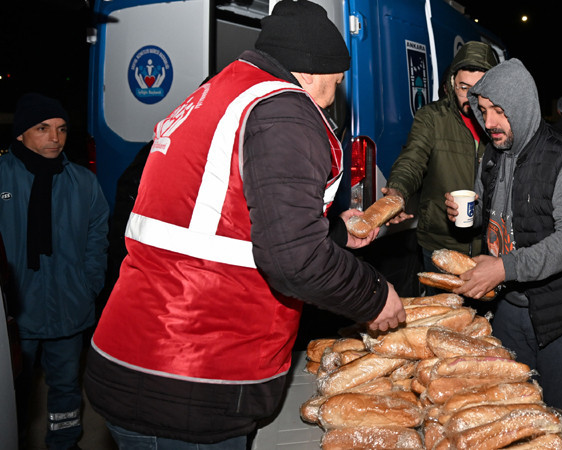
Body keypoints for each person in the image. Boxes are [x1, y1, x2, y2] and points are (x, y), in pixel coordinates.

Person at [83, 1, 406, 448]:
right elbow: (294, 259)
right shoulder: (284, 109)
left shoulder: (221, 91)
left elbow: (234, 218)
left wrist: (334, 232)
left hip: (145, 351)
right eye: (337, 77)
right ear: (312, 71)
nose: (338, 88)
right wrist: (374, 296)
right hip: (190, 372)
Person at [446, 58, 562, 450]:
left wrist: (505, 266)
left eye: (500, 112)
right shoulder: (492, 153)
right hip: (510, 306)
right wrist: (462, 217)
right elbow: (493, 210)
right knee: (512, 405)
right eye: (484, 111)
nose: (491, 122)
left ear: (522, 106)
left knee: (557, 413)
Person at [0, 93, 109, 450]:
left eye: (61, 129)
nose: (54, 138)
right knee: (12, 392)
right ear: (21, 134)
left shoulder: (82, 181)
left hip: (68, 306)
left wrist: (88, 284)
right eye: (42, 128)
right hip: (16, 313)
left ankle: (64, 443)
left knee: (65, 387)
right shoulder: (2, 179)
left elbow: (98, 237)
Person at [382, 41, 499, 279]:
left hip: (490, 246)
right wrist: (398, 193)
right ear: (451, 84)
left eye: (480, 88)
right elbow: (411, 161)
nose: (471, 98)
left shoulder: (500, 124)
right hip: (440, 243)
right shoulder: (432, 118)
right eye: (463, 87)